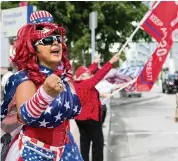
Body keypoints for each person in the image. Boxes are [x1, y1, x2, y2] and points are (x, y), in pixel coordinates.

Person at [1, 10, 83, 161]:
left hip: (68, 152)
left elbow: (75, 110)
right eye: (47, 40)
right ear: (33, 49)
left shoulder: (63, 77)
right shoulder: (24, 78)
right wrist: (45, 94)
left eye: (58, 38)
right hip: (35, 153)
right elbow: (25, 115)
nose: (55, 42)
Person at [74, 54, 119, 161]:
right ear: (82, 76)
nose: (90, 74)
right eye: (88, 74)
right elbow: (99, 75)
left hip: (80, 119)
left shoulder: (77, 83)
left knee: (84, 143)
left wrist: (95, 63)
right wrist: (111, 62)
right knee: (97, 143)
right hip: (91, 119)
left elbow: (89, 71)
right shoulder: (86, 84)